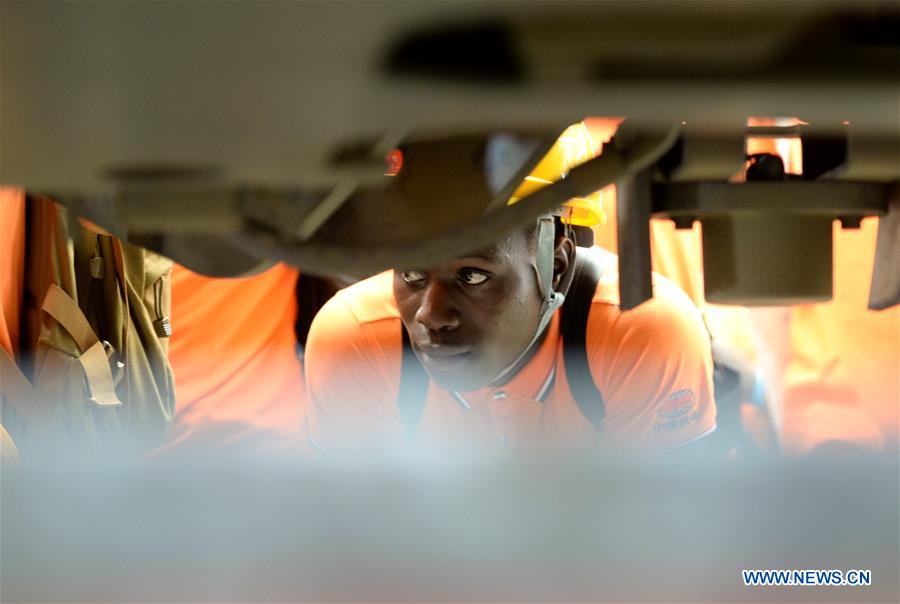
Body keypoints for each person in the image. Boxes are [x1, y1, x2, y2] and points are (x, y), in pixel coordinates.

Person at [304, 123, 717, 456]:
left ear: (556, 264)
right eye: (411, 274)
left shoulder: (638, 335)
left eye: (472, 276)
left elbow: (666, 547)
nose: (431, 315)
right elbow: (364, 545)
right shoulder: (355, 342)